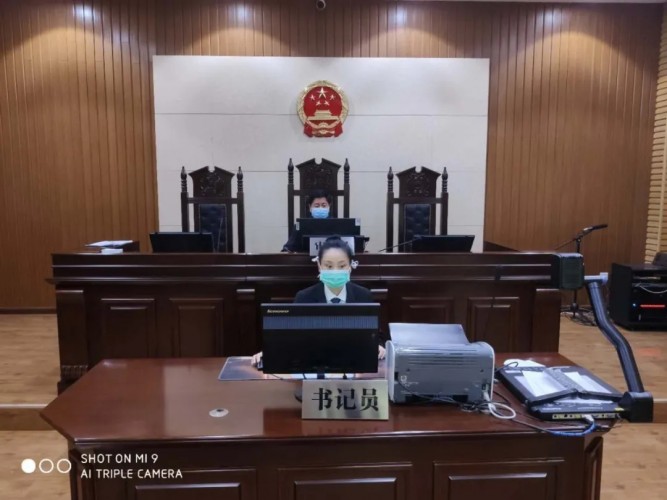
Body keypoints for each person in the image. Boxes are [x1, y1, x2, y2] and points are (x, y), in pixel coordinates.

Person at [252, 236, 386, 366]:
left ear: (351, 266)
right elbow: (291, 338)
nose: (335, 271)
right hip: (315, 366)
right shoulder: (304, 297)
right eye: (328, 266)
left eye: (342, 266)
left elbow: (375, 334)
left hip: (354, 365)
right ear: (319, 266)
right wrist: (270, 352)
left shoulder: (363, 296)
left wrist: (378, 346)